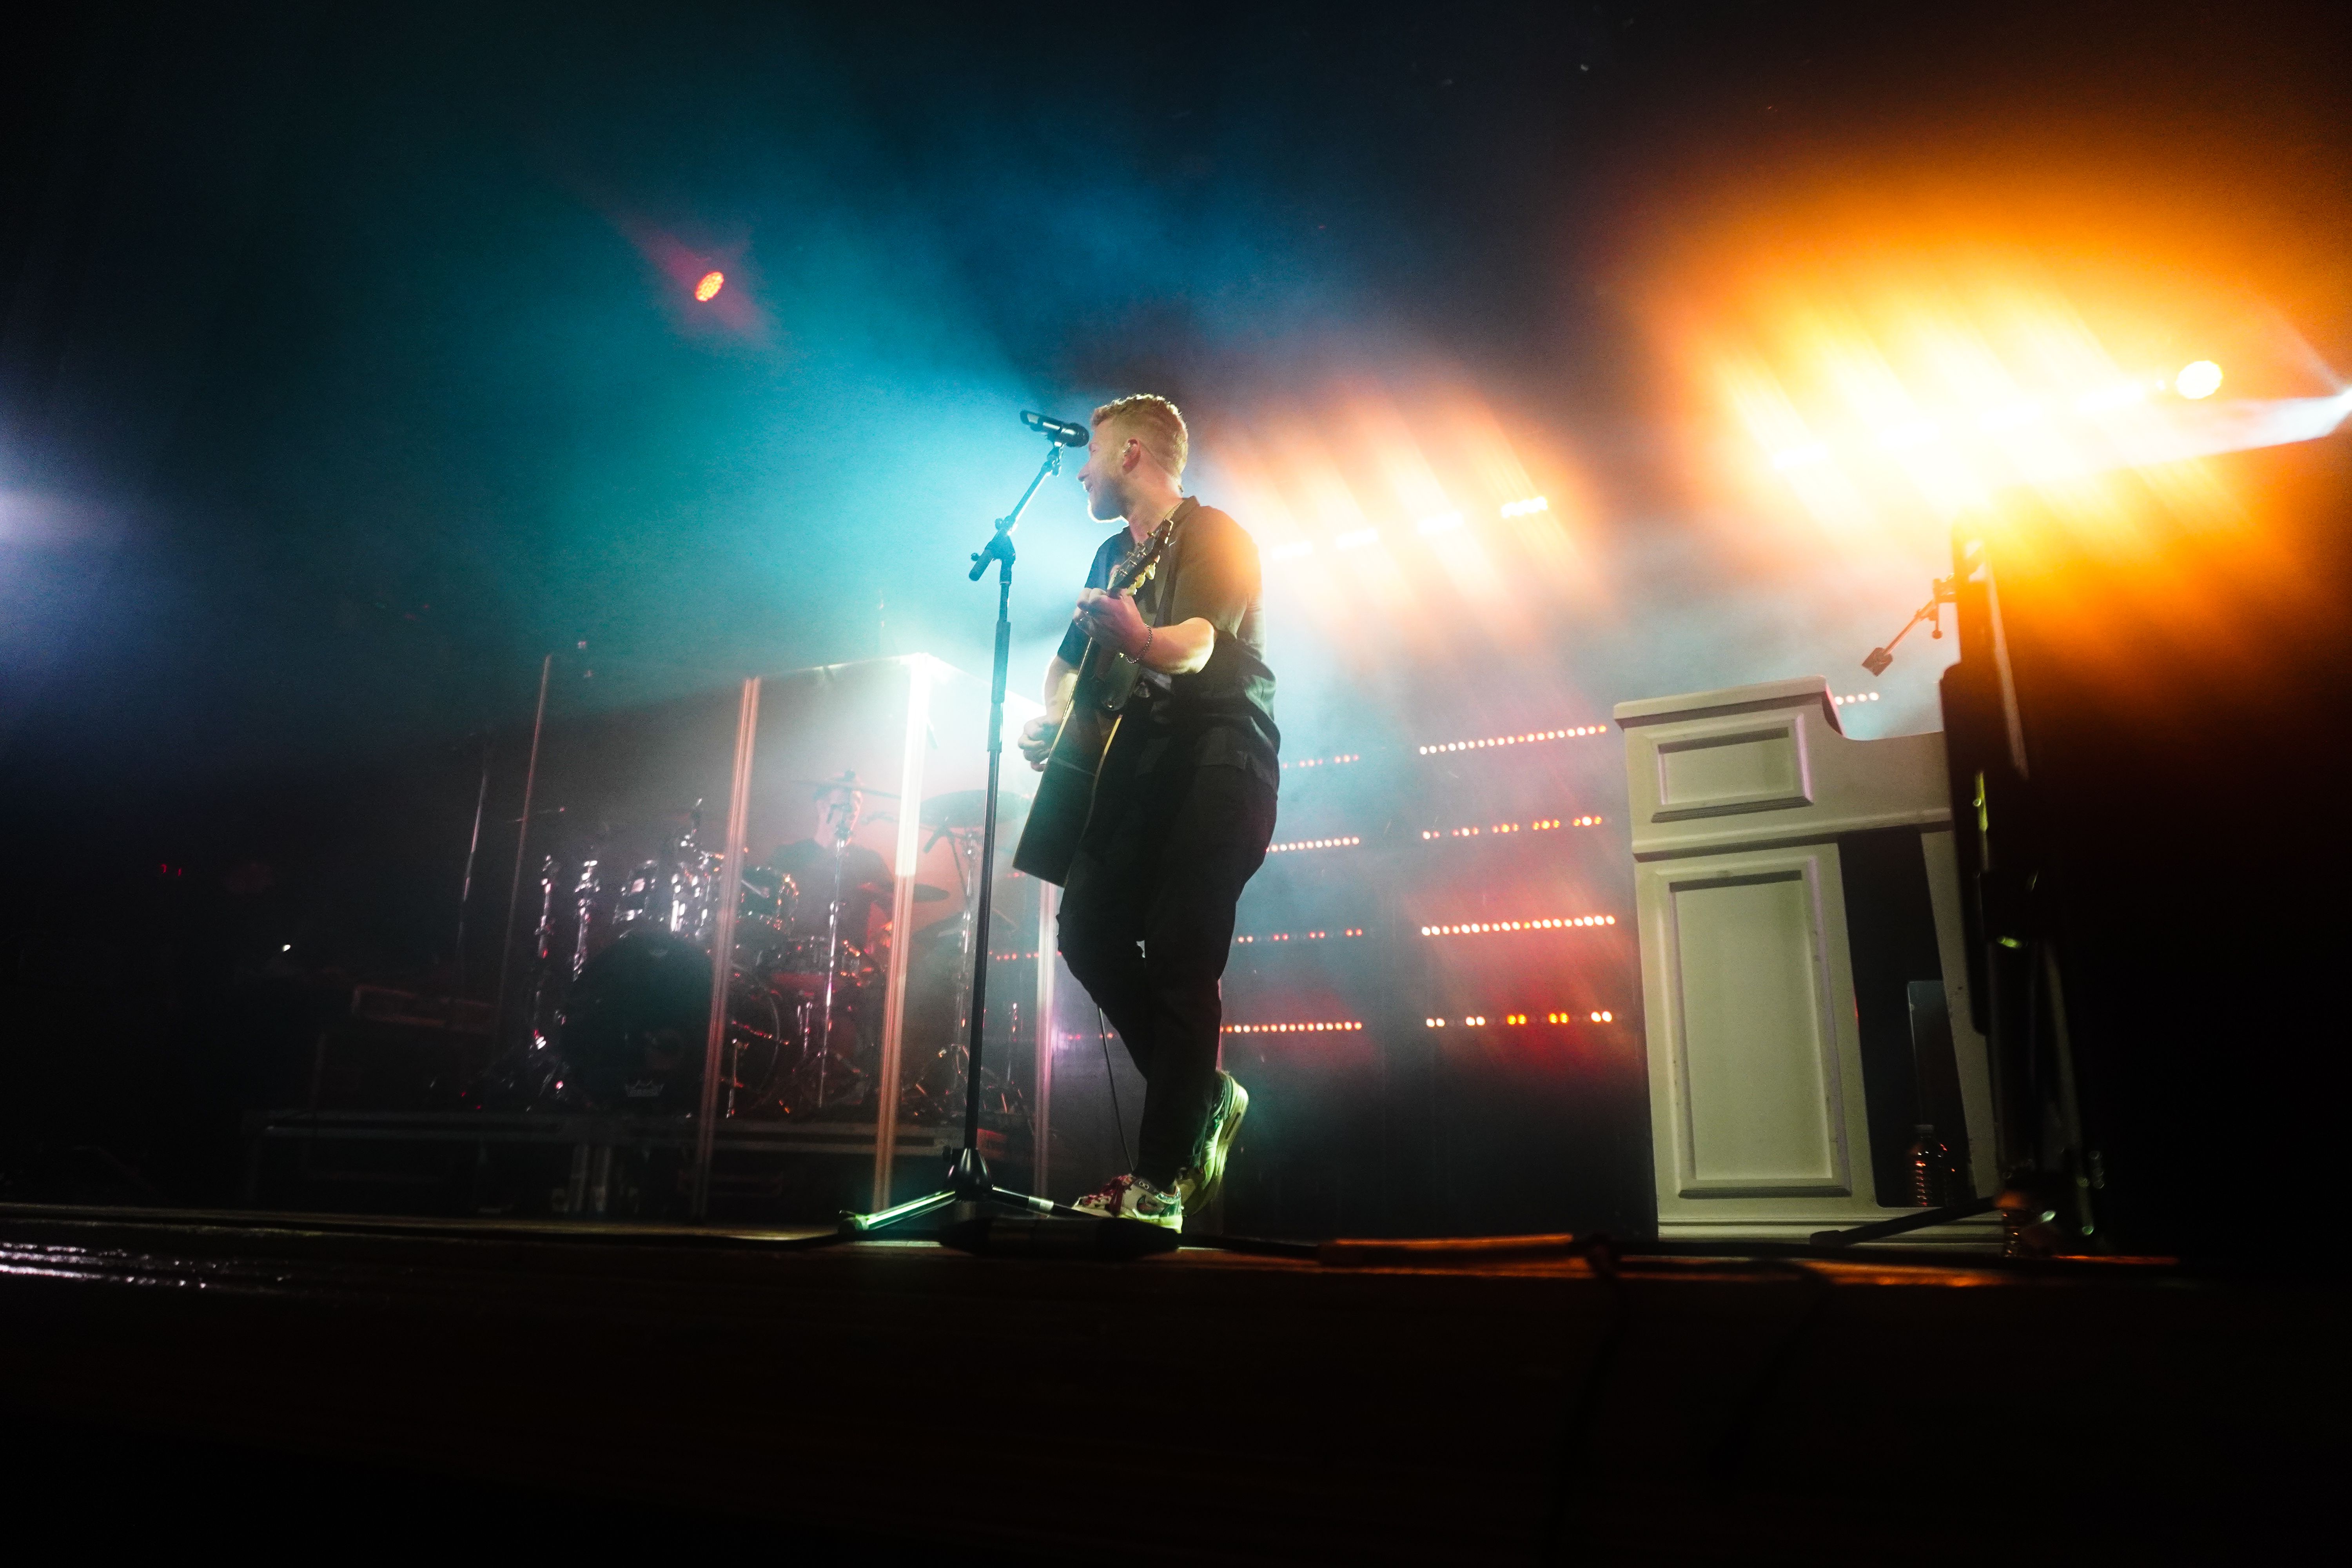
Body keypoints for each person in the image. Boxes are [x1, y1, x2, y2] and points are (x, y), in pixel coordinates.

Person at [1018, 394, 1279, 1230]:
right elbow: (1066, 667)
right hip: (1136, 775)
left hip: (1219, 762)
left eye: (1091, 453)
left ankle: (1160, 1181)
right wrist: (1053, 719)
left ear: (1131, 452)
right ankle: (1206, 1095)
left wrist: (1139, 639)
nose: (1081, 472)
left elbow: (1197, 643)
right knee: (1086, 930)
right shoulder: (1109, 556)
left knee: (1178, 955)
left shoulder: (1215, 534)